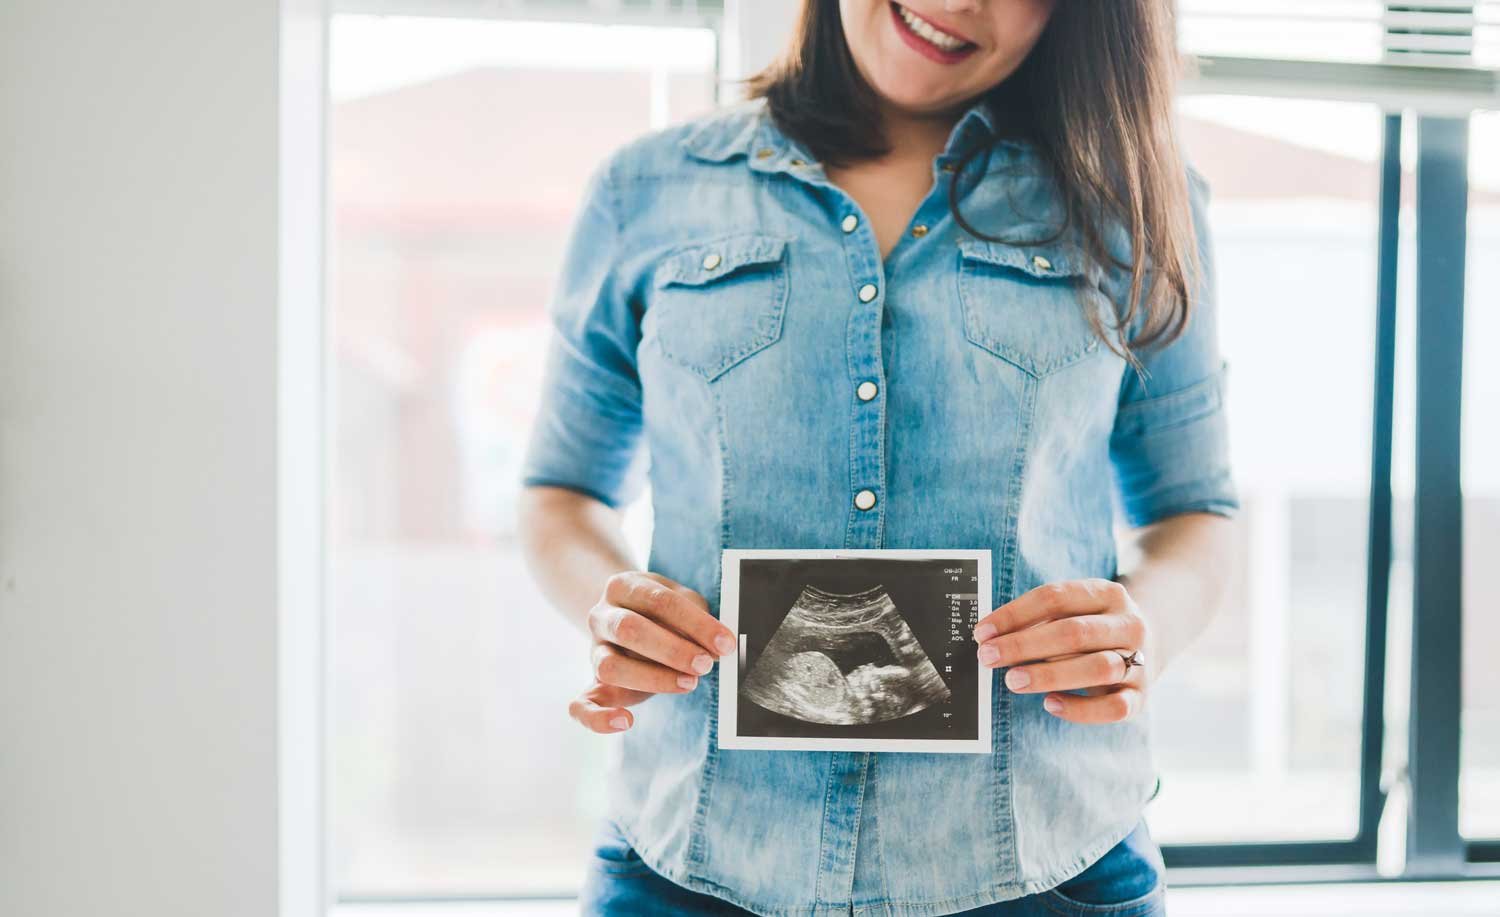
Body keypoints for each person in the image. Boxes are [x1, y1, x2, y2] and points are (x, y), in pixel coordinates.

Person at [516, 1, 1240, 914]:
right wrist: (611, 606)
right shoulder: (643, 191)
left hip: (1044, 865)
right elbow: (561, 490)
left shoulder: (1138, 202)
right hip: (691, 861)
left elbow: (1196, 511)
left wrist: (1144, 631)